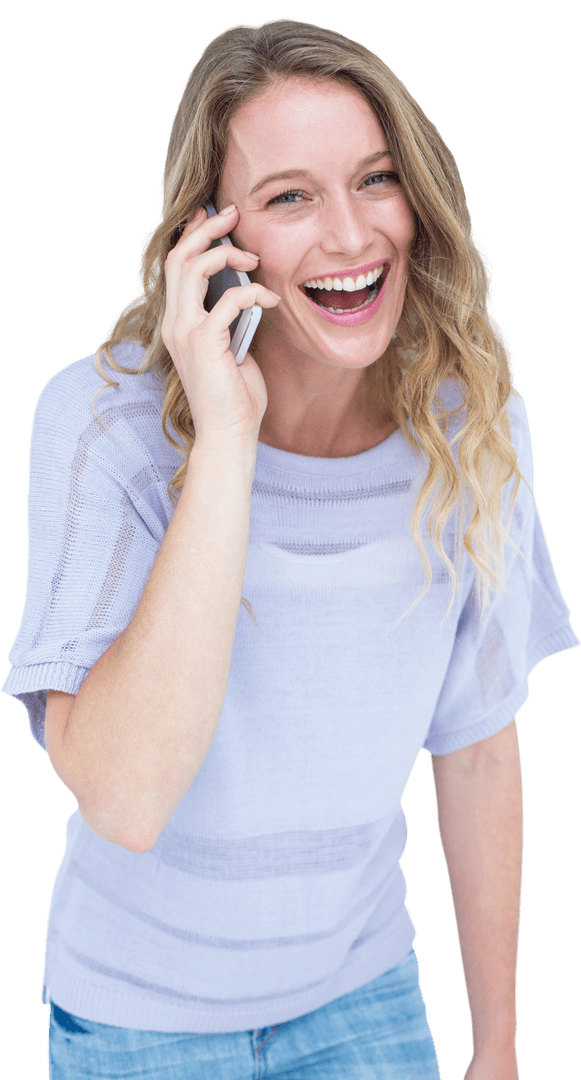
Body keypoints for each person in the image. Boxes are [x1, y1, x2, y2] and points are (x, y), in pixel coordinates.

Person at [2, 16, 578, 1080]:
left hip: (361, 997)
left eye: (374, 179)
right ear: (211, 240)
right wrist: (225, 434)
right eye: (288, 198)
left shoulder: (472, 423)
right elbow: (124, 798)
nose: (351, 237)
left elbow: (478, 746)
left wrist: (496, 1044)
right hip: (139, 1022)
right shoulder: (101, 424)